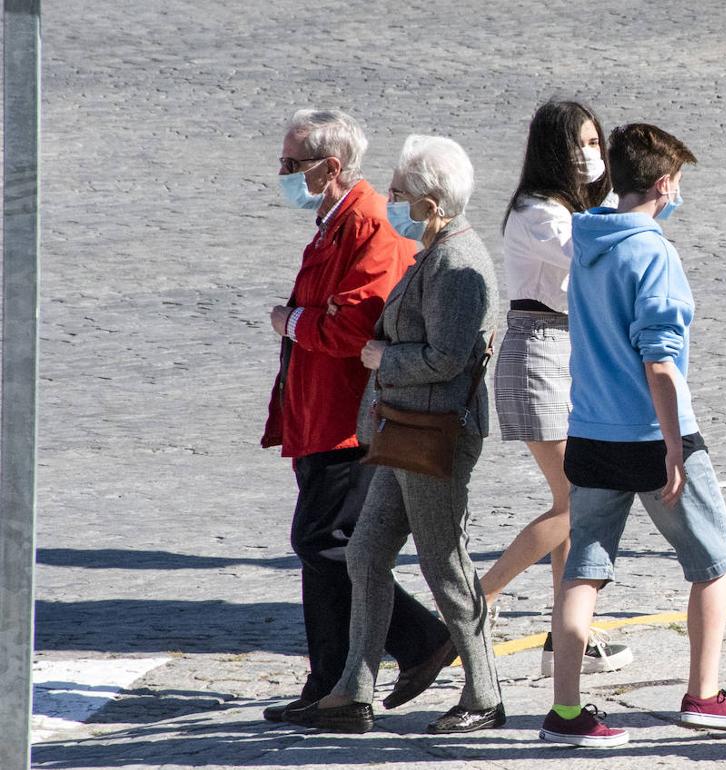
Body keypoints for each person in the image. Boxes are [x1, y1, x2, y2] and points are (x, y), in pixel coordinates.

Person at [538, 123, 726, 748]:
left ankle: (565, 713)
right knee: (715, 560)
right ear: (665, 183)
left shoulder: (587, 243)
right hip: (650, 432)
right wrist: (675, 446)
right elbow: (661, 363)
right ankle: (703, 696)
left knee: (582, 571)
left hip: (589, 429)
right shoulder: (653, 253)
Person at [286, 134, 504, 735]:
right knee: (364, 552)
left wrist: (383, 357)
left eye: (402, 192)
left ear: (432, 202)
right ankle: (355, 688)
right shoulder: (435, 253)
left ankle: (485, 694)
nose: (392, 200)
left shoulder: (458, 265)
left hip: (433, 437)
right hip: (403, 431)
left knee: (445, 565)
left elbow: (447, 358)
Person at [261, 109, 448, 725]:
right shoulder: (334, 221)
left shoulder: (367, 223)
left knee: (327, 544)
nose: (282, 173)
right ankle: (329, 685)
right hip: (317, 412)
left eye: (291, 164)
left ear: (329, 167)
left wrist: (290, 322)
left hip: (349, 417)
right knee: (323, 551)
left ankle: (422, 639)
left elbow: (351, 324)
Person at [482, 100, 632, 676]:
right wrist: (635, 206)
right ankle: (481, 597)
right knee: (578, 500)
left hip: (569, 354)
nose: (591, 155)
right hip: (539, 352)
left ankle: (565, 636)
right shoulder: (539, 212)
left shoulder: (571, 210)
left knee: (577, 500)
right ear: (553, 150)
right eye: (582, 145)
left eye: (597, 143)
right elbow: (591, 255)